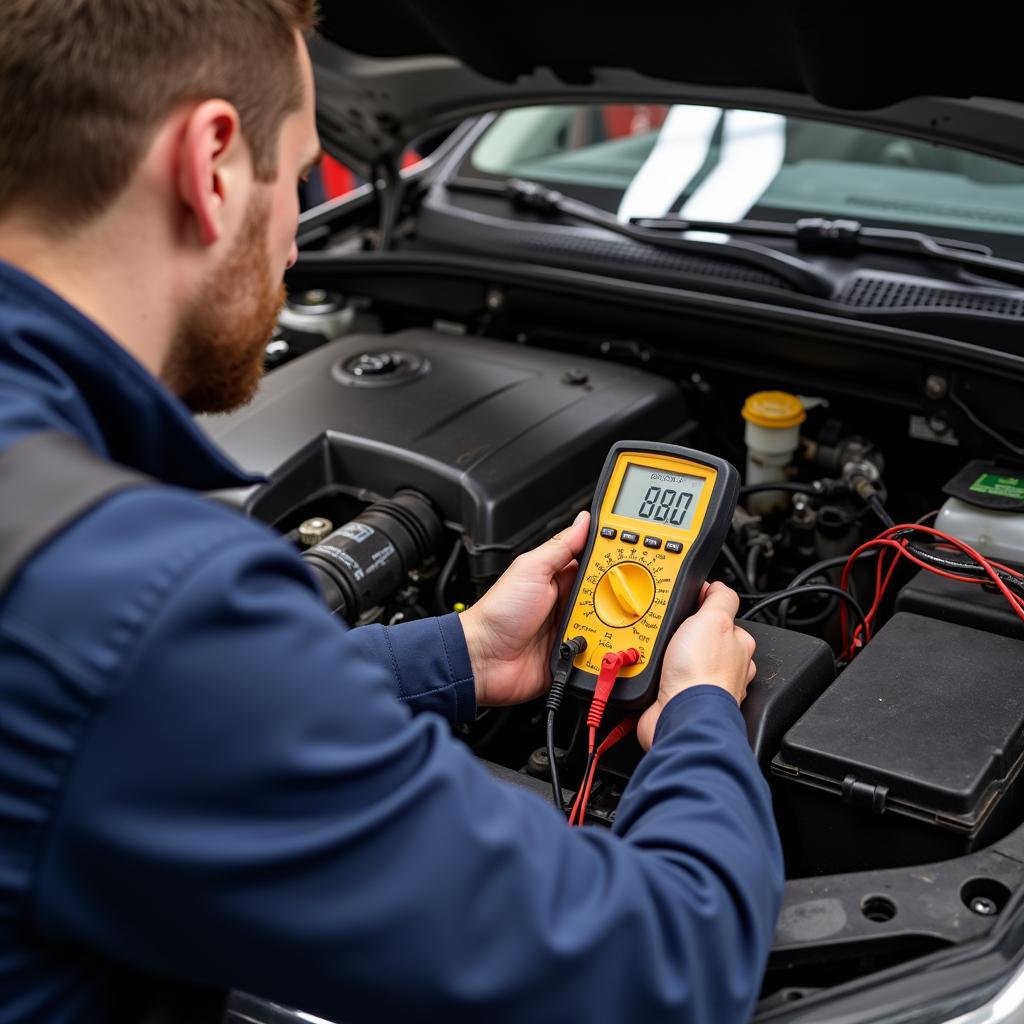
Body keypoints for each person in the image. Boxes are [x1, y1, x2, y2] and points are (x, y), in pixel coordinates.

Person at [0, 3, 783, 1022]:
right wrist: (699, 717)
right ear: (214, 162)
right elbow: (656, 968)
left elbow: (122, 712)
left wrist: (456, 653)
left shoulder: (89, 590)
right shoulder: (138, 600)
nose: (293, 241)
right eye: (297, 171)